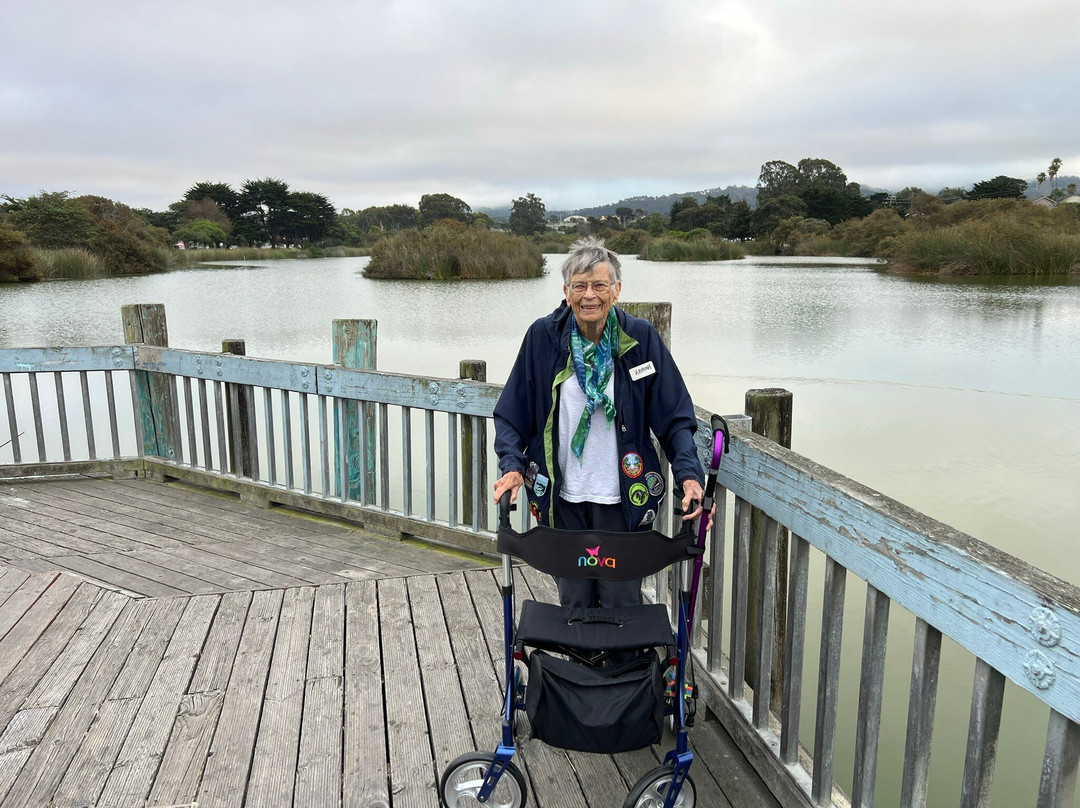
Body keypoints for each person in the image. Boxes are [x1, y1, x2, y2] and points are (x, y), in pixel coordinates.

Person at [493, 236, 707, 610]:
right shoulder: (542, 337)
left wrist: (690, 476)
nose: (589, 295)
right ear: (566, 292)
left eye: (599, 285)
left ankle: (622, 650)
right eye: (579, 286)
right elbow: (511, 414)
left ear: (616, 290)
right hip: (563, 498)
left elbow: (674, 417)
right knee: (573, 603)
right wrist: (512, 466)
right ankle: (578, 649)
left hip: (623, 498)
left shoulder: (640, 339)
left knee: (622, 604)